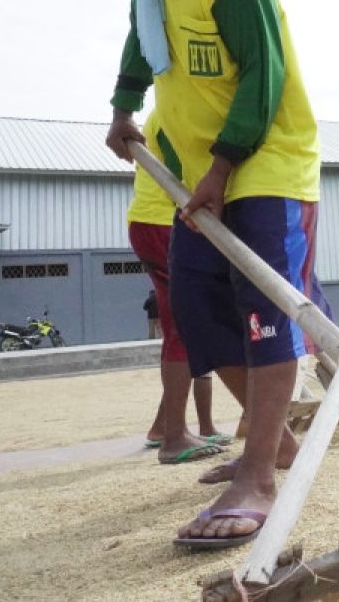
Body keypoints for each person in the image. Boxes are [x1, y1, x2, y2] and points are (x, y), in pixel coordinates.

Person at [104, 0, 333, 548]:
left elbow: (263, 75)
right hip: (198, 169)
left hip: (263, 158)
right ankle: (279, 444)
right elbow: (142, 43)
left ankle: (260, 474)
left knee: (263, 307)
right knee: (201, 310)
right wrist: (121, 109)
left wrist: (225, 167)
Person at [128, 113, 231, 465]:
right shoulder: (171, 115)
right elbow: (187, 174)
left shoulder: (166, 114)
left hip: (155, 223)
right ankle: (173, 435)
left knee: (181, 326)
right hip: (161, 224)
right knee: (187, 327)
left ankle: (166, 427)